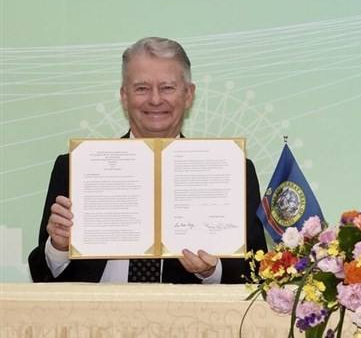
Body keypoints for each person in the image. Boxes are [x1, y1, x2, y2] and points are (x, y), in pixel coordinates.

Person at [28, 37, 268, 283]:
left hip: (189, 319)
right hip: (94, 319)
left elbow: (256, 271)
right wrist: (58, 248)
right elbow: (42, 276)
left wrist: (211, 271)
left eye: (167, 88)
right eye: (142, 88)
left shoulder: (232, 170)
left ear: (188, 95)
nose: (155, 100)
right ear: (124, 96)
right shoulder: (75, 167)